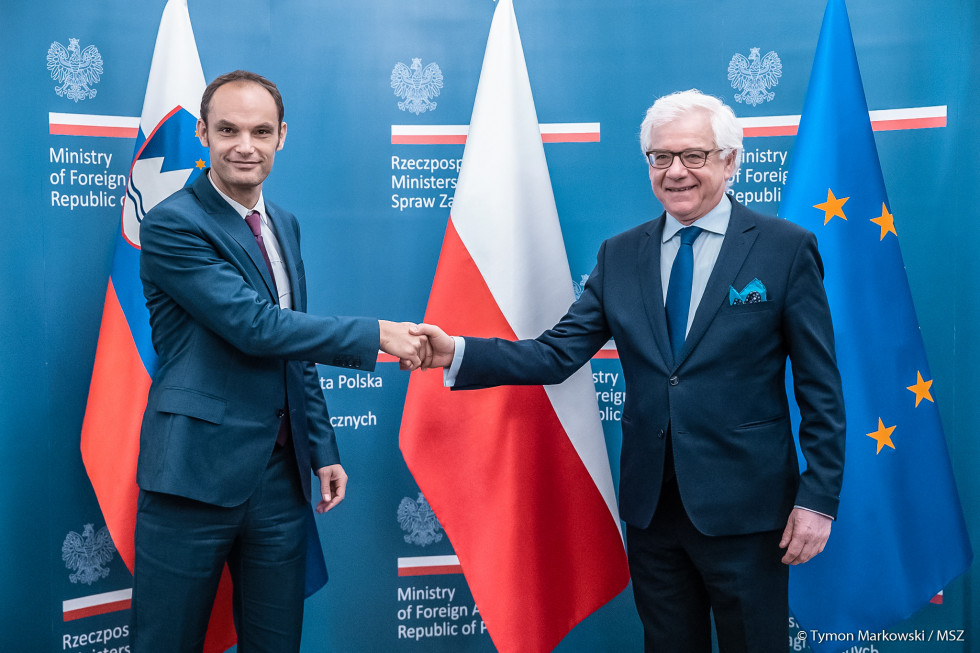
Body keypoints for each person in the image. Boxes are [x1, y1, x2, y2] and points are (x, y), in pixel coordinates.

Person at [415, 89, 845, 652]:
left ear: (730, 160)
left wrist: (817, 498)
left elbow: (821, 389)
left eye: (694, 155)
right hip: (651, 511)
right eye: (661, 157)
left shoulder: (784, 249)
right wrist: (456, 352)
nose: (676, 171)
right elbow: (556, 353)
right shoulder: (620, 255)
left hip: (748, 510)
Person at [132, 70, 426, 652]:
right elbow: (255, 327)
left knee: (276, 642)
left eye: (260, 131)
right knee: (166, 641)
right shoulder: (171, 223)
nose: (245, 145)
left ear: (281, 136)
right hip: (193, 475)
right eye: (228, 130)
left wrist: (321, 447)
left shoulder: (283, 224)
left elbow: (295, 348)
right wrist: (378, 334)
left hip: (279, 480)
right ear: (203, 133)